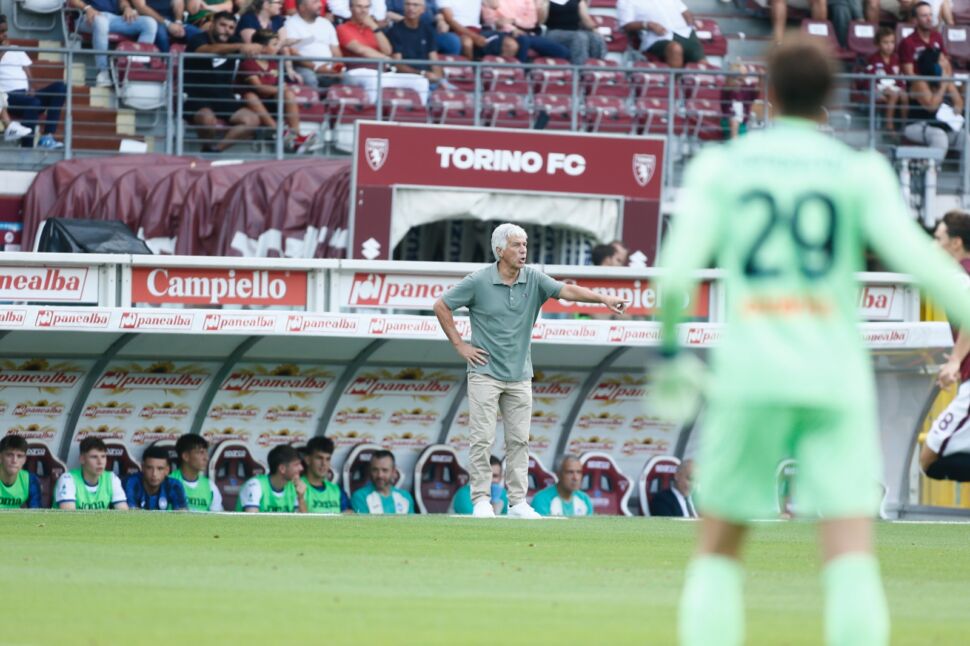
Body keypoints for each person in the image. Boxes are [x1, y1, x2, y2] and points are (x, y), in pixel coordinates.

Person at [655, 37, 970, 646]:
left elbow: (673, 279)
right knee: (849, 550)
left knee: (719, 549)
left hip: (750, 373)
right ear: (834, 100)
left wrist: (668, 352)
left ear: (766, 94)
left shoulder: (724, 167)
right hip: (833, 376)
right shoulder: (858, 173)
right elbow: (932, 272)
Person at [434, 223, 626, 519]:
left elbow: (567, 290)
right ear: (499, 250)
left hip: (521, 375)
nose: (523, 250)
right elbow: (442, 306)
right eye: (516, 245)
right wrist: (461, 346)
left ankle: (517, 503)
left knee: (519, 440)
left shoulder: (534, 278)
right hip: (484, 372)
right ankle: (482, 501)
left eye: (524, 244)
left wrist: (604, 299)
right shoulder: (478, 281)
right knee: (482, 438)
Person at [921, 210, 970, 482]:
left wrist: (954, 361)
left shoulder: (961, 277)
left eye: (938, 238)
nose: (933, 245)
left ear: (956, 243)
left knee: (928, 459)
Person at [183, 12, 262, 152]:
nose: (227, 30)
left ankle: (214, 150)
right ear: (212, 24)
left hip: (223, 98)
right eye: (223, 25)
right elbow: (207, 50)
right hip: (196, 97)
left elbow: (262, 51)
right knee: (207, 120)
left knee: (252, 120)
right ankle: (206, 147)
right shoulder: (198, 38)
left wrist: (257, 47)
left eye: (231, 28)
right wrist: (239, 47)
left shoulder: (234, 41)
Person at [339, 0, 432, 102]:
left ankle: (419, 115)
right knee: (374, 81)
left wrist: (374, 27)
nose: (363, 11)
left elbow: (387, 50)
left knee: (420, 81)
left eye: (366, 7)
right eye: (359, 7)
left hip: (381, 71)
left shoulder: (372, 29)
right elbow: (361, 49)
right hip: (357, 71)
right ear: (350, 8)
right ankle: (371, 114)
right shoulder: (343, 28)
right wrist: (386, 59)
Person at [238, 30, 315, 153]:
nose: (277, 48)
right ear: (262, 48)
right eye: (274, 44)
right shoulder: (249, 63)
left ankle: (296, 135)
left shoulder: (274, 63)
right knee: (250, 96)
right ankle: (279, 132)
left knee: (288, 93)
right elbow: (259, 88)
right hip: (250, 104)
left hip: (270, 100)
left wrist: (282, 88)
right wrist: (280, 88)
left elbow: (278, 84)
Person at [0, 16, 65, 149]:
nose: (5, 34)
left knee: (60, 87)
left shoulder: (16, 48)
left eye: (5, 30)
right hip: (8, 97)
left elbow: (27, 71)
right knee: (33, 103)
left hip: (25, 94)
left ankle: (47, 137)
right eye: (1, 31)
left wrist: (32, 87)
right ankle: (27, 148)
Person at [70, 0, 158, 87]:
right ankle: (103, 71)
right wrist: (87, 8)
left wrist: (127, 8)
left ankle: (136, 69)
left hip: (113, 18)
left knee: (150, 23)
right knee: (101, 22)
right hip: (87, 17)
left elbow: (122, 1)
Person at [903, 47, 963, 154]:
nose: (946, 63)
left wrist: (956, 110)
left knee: (964, 136)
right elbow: (931, 107)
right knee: (939, 137)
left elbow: (959, 101)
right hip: (917, 125)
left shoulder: (946, 81)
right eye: (942, 60)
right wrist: (943, 85)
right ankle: (932, 169)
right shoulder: (920, 82)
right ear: (932, 64)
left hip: (940, 125)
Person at [617, 0, 704, 69]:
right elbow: (625, 25)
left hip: (685, 33)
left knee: (702, 65)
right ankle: (674, 86)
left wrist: (692, 20)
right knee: (674, 48)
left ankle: (700, 88)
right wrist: (647, 24)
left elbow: (685, 12)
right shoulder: (627, 1)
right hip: (657, 38)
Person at [481, 0, 570, 62]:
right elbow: (491, 20)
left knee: (563, 52)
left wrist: (514, 20)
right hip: (501, 33)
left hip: (527, 33)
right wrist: (513, 29)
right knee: (523, 40)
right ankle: (520, 75)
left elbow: (531, 21)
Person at [54, 437, 128, 510]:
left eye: (103, 456)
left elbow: (124, 513)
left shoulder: (111, 478)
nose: (100, 462)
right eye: (94, 457)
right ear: (82, 459)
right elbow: (68, 517)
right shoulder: (68, 479)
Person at [284, 0, 344, 89]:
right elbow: (293, 53)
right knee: (309, 78)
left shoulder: (326, 23)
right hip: (306, 68)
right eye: (315, 2)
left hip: (331, 69)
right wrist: (317, 68)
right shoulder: (290, 24)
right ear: (302, 7)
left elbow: (336, 52)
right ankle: (316, 103)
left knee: (349, 78)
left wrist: (337, 69)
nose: (320, 5)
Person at [237, 444, 308, 512]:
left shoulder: (294, 486)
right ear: (282, 469)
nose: (301, 468)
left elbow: (304, 523)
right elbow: (252, 522)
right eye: (296, 465)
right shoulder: (255, 485)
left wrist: (300, 498)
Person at [440, 0, 520, 60]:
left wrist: (476, 37)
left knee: (511, 45)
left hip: (479, 31)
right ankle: (469, 77)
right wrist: (474, 37)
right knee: (467, 43)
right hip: (457, 31)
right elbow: (449, 20)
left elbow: (494, 5)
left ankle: (498, 78)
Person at [387, 0, 445, 80]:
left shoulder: (428, 30)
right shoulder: (394, 31)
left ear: (423, 9)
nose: (410, 8)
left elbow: (434, 59)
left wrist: (438, 77)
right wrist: (421, 74)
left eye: (415, 5)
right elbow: (398, 64)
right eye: (407, 4)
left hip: (428, 77)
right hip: (408, 78)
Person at [864, 27, 907, 135]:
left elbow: (900, 77)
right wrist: (876, 91)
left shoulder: (896, 58)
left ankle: (904, 125)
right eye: (885, 42)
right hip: (878, 88)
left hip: (893, 86)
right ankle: (889, 126)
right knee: (893, 95)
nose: (889, 46)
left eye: (892, 42)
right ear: (878, 44)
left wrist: (902, 88)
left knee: (904, 95)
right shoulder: (873, 59)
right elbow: (868, 78)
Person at [538, 0, 604, 66]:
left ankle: (595, 68)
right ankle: (578, 70)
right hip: (553, 32)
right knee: (580, 37)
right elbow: (540, 20)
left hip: (574, 32)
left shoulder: (578, 1)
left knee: (596, 38)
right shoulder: (546, 1)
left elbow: (586, 20)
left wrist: (595, 30)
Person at [124, 445, 188, 510]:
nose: (154, 474)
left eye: (160, 469)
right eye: (149, 468)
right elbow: (132, 514)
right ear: (142, 468)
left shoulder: (174, 485)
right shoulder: (132, 483)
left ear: (167, 470)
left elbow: (183, 513)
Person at [171, 433, 224, 512]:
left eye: (206, 452)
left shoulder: (210, 486)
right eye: (201, 452)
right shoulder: (169, 482)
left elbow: (218, 518)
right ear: (185, 456)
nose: (206, 458)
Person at [386, 0, 461, 54]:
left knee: (452, 41)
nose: (411, 7)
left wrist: (441, 21)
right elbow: (387, 13)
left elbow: (436, 13)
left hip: (429, 30)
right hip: (405, 30)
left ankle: (450, 71)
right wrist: (410, 20)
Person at [300, 436, 352, 513]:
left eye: (328, 459)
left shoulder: (336, 490)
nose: (324, 463)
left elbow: (349, 516)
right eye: (319, 458)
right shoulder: (295, 488)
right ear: (307, 460)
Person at [899, 2, 951, 77]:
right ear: (915, 20)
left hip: (939, 79)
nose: (929, 19)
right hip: (918, 81)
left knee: (953, 84)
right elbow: (909, 74)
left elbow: (946, 64)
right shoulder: (907, 42)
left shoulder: (937, 36)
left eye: (930, 15)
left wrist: (942, 85)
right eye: (924, 16)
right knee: (921, 84)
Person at [132, 0, 204, 53]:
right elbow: (141, 8)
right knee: (162, 36)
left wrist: (178, 22)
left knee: (198, 34)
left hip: (172, 19)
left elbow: (178, 2)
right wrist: (168, 24)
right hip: (150, 19)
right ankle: (166, 66)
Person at [0, 434, 42, 509]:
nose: (14, 461)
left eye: (19, 456)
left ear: (24, 460)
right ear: (0, 457)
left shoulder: (30, 480)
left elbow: (36, 512)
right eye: (9, 455)